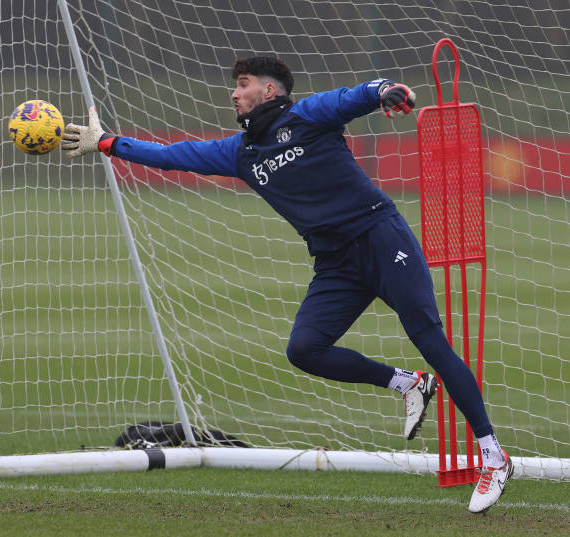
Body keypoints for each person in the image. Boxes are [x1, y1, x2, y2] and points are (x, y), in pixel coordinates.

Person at [62, 56, 512, 513]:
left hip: (381, 239)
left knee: (431, 341)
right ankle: (408, 384)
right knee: (305, 349)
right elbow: (170, 155)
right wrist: (109, 143)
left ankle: (494, 458)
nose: (234, 93)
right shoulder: (240, 153)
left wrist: (386, 92)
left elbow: (356, 95)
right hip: (335, 264)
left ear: (270, 91)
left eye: (243, 84)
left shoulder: (308, 116)